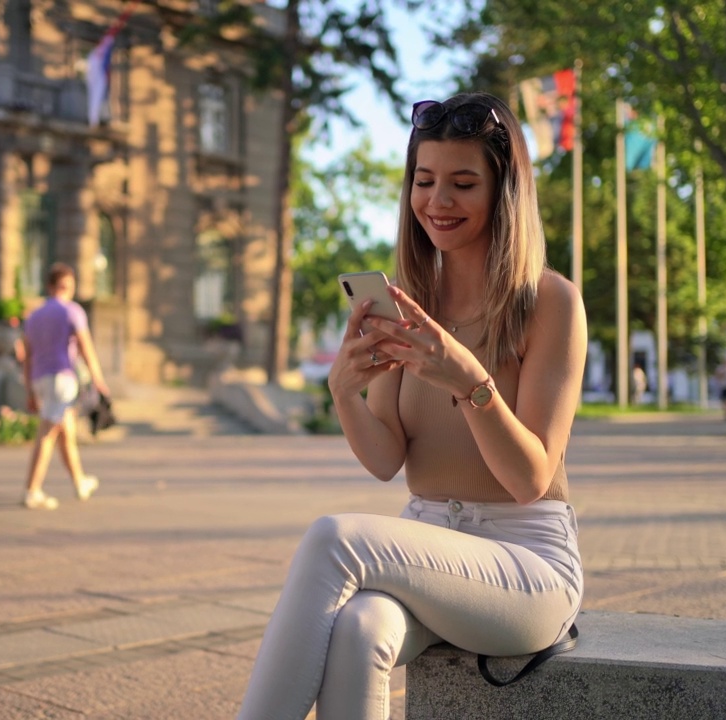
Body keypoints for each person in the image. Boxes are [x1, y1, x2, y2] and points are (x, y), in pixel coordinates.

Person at [237, 92, 586, 719]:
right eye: (424, 181)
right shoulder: (408, 300)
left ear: (504, 191)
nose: (438, 201)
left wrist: (469, 379)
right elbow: (385, 458)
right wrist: (344, 391)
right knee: (359, 628)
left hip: (525, 566)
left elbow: (530, 478)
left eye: (462, 183)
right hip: (428, 547)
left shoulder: (549, 301)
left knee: (334, 537)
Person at [21, 263, 111, 509]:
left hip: (40, 379)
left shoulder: (34, 317)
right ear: (66, 287)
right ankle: (32, 490)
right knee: (48, 434)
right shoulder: (72, 311)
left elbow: (27, 357)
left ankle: (79, 481)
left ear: (49, 286)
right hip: (62, 378)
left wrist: (29, 389)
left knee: (66, 434)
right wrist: (98, 379)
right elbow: (86, 348)